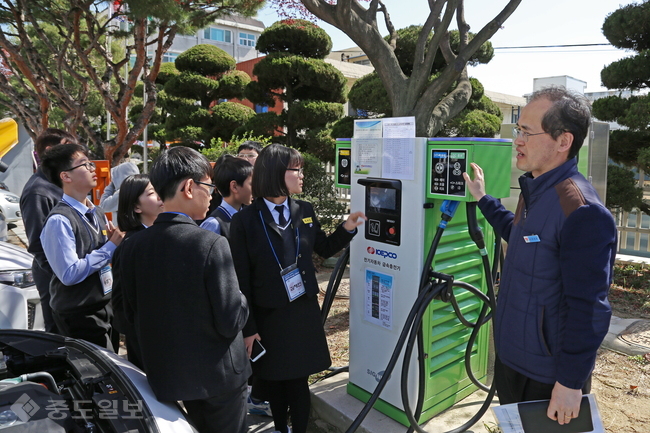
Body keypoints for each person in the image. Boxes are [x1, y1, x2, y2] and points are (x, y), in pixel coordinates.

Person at [462, 86, 617, 425]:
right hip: (512, 358)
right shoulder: (536, 189)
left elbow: (589, 306)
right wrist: (483, 199)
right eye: (519, 130)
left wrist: (570, 383)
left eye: (527, 132)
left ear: (564, 141)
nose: (518, 140)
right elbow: (521, 238)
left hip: (548, 377)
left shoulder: (580, 210)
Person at [230, 143, 366, 433]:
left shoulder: (303, 210)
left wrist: (348, 228)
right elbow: (240, 280)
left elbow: (324, 247)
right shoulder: (245, 221)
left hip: (303, 311)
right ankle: (281, 427)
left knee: (300, 380)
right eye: (296, 169)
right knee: (278, 381)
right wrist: (249, 327)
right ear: (278, 173)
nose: (301, 175)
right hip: (269, 318)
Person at [120, 146, 251, 433]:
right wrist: (242, 297)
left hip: (166, 377)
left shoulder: (131, 247)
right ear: (189, 187)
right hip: (220, 378)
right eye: (208, 185)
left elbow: (124, 317)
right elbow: (231, 320)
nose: (213, 194)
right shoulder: (210, 243)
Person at [40, 143, 124, 350]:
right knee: (97, 375)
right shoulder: (59, 221)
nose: (92, 169)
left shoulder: (96, 212)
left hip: (104, 304)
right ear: (65, 176)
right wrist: (110, 247)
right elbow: (69, 273)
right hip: (79, 313)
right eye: (84, 165)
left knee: (112, 373)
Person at [20, 128, 77, 334]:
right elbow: (37, 244)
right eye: (69, 149)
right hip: (57, 280)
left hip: (71, 276)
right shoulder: (38, 191)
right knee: (60, 336)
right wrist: (65, 276)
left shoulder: (57, 184)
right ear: (51, 151)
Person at [111, 174, 163, 369]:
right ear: (136, 207)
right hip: (145, 335)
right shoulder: (132, 244)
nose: (159, 196)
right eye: (151, 193)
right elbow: (120, 300)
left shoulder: (156, 235)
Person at [200, 154, 253, 237]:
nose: (255, 188)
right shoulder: (214, 224)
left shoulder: (247, 217)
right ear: (234, 186)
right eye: (251, 184)